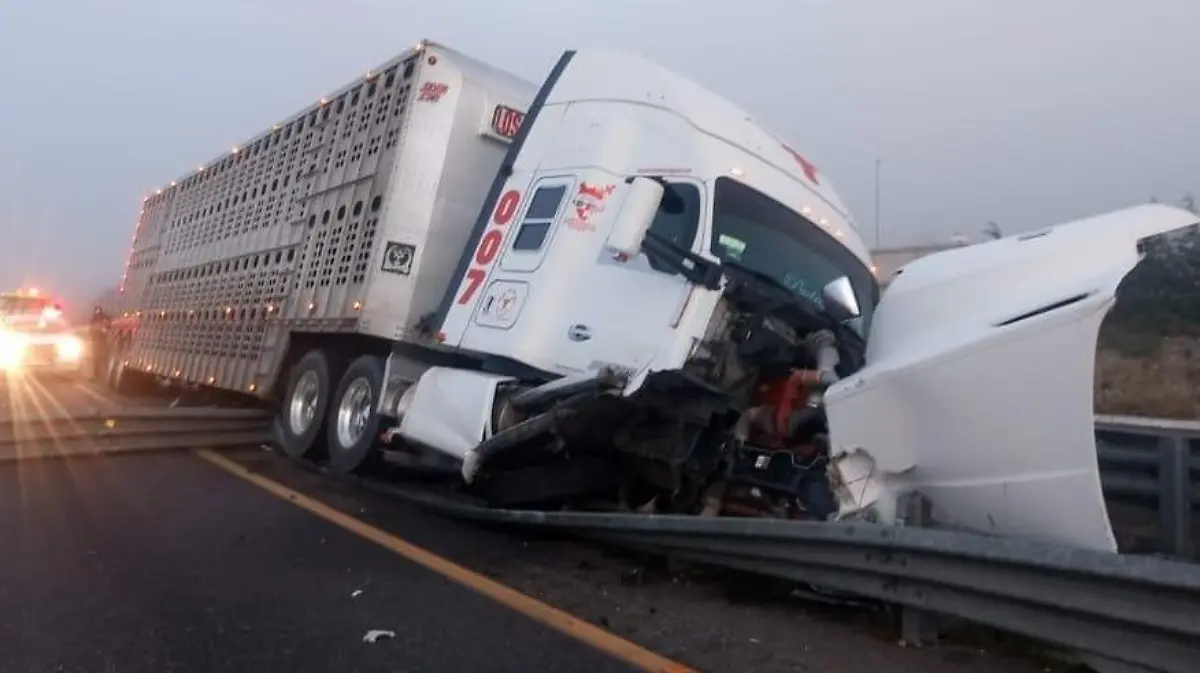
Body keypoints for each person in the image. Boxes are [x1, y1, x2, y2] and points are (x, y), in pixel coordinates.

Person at [89, 305, 111, 379]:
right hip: (96, 341)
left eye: (98, 310)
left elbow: (108, 325)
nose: (97, 312)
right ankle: (96, 374)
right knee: (96, 359)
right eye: (96, 310)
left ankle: (102, 374)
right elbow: (91, 329)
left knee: (103, 358)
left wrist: (105, 331)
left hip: (102, 341)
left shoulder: (104, 317)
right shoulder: (94, 319)